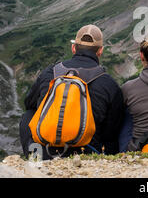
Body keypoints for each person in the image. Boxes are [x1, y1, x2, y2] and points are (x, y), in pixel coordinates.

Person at [19, 24, 125, 159]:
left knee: (28, 115)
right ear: (100, 51)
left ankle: (35, 159)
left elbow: (29, 103)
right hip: (87, 153)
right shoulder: (109, 84)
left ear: (74, 47)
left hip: (46, 151)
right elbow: (111, 132)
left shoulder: (50, 72)